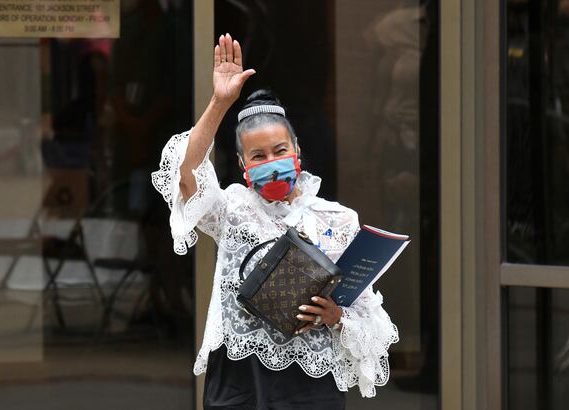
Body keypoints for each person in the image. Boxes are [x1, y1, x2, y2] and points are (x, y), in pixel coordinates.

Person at [152, 33, 398, 409]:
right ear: (242, 165)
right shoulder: (231, 209)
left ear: (297, 151)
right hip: (239, 381)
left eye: (280, 150)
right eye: (258, 155)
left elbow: (370, 321)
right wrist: (220, 103)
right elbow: (186, 172)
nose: (271, 161)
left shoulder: (337, 218)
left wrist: (336, 318)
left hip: (311, 385)